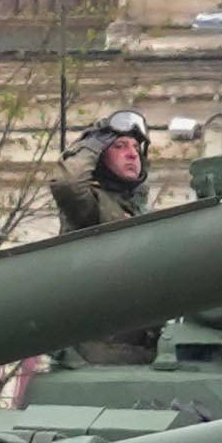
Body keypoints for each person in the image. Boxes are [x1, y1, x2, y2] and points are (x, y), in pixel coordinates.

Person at [46, 108, 158, 364]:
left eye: (135, 147)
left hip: (145, 350)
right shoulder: (92, 207)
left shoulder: (140, 210)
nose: (132, 154)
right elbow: (68, 185)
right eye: (119, 146)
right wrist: (93, 142)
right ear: (99, 157)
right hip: (102, 353)